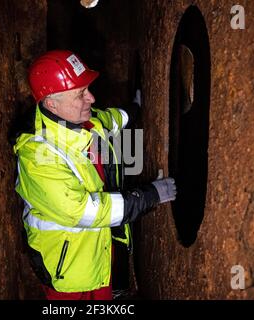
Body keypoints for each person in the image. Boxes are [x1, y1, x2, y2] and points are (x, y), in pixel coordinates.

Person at [11, 50, 177, 300]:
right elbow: (83, 211)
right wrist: (149, 195)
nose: (91, 97)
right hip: (67, 271)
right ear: (51, 103)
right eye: (80, 93)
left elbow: (108, 120)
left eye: (87, 88)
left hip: (97, 252)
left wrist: (134, 109)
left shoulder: (79, 119)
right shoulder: (37, 155)